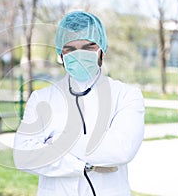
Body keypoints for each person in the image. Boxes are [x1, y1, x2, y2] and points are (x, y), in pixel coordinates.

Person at [13, 11, 145, 196]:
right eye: (70, 49)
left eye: (88, 47)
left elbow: (121, 151)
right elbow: (23, 156)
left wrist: (56, 140)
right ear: (61, 53)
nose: (79, 54)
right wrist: (84, 166)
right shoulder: (41, 98)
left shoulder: (126, 96)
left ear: (102, 49)